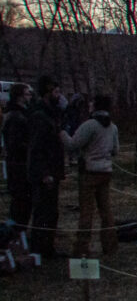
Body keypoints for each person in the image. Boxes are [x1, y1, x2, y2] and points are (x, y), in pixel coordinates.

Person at [61, 93, 119, 258]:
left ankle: (82, 249)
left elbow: (73, 145)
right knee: (106, 211)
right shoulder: (112, 127)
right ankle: (110, 246)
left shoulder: (90, 125)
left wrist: (62, 133)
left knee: (86, 212)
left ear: (96, 106)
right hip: (106, 171)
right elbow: (116, 150)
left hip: (89, 172)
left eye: (92, 103)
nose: (89, 105)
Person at [26, 76, 66, 258]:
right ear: (47, 93)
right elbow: (36, 149)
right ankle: (38, 248)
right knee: (42, 212)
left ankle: (47, 247)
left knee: (51, 212)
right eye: (56, 92)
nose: (59, 95)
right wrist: (44, 173)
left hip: (53, 169)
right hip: (44, 173)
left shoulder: (51, 113)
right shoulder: (39, 116)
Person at [2, 83, 34, 232]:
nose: (30, 97)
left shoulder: (21, 114)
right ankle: (12, 235)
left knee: (24, 203)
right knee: (20, 203)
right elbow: (15, 144)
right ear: (20, 96)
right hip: (18, 165)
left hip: (21, 164)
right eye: (27, 94)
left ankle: (17, 235)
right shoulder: (16, 116)